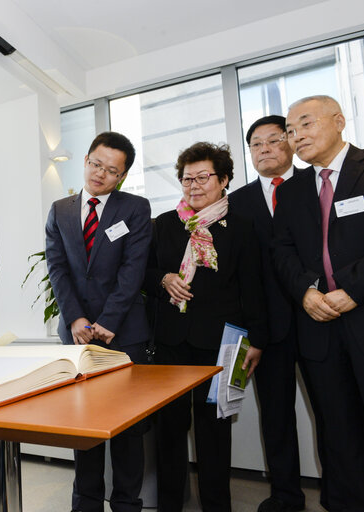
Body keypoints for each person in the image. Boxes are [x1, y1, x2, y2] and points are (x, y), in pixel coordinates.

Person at [145, 142, 267, 512]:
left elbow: (253, 287)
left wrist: (257, 341)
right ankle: (170, 505)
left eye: (203, 177)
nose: (193, 186)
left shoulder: (242, 227)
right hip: (170, 345)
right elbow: (143, 274)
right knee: (169, 432)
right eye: (186, 179)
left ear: (224, 179)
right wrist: (165, 278)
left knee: (216, 434)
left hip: (225, 346)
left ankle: (217, 506)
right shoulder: (164, 224)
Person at [273, 95, 364, 511]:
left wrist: (354, 288)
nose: (297, 137)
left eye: (306, 124)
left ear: (339, 121)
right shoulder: (293, 190)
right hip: (318, 327)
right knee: (337, 429)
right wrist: (306, 292)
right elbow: (282, 250)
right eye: (291, 131)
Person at [45, 131, 152, 512]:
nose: (100, 174)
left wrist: (107, 320)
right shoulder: (60, 209)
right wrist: (74, 317)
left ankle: (126, 504)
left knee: (127, 430)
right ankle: (86, 504)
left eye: (111, 170)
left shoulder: (136, 208)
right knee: (84, 427)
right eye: (95, 164)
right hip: (77, 338)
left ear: (121, 176)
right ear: (86, 159)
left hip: (124, 334)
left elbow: (132, 269)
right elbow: (57, 268)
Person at [228, 115, 306, 512]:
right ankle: (285, 496)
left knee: (336, 410)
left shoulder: (313, 186)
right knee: (276, 418)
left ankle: (348, 490)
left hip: (319, 321)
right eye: (256, 144)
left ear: (291, 143)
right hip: (265, 331)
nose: (264, 150)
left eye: (273, 141)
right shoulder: (236, 202)